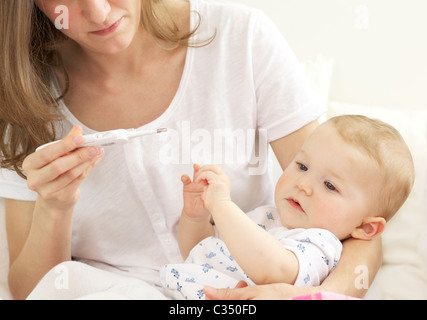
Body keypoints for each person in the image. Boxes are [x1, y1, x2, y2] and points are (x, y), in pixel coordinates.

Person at [0, 0, 380, 300]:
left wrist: (305, 296)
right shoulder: (21, 95)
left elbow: (356, 223)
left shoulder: (240, 38)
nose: (99, 11)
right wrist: (55, 207)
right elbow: (31, 290)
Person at [161, 115, 415, 299]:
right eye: (302, 166)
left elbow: (274, 270)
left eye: (330, 186)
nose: (303, 184)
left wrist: (222, 205)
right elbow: (199, 253)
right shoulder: (267, 216)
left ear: (366, 227)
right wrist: (196, 218)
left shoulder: (322, 245)